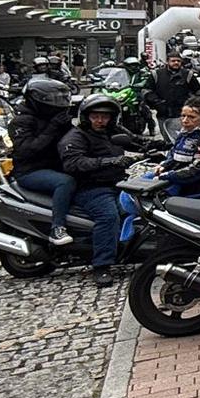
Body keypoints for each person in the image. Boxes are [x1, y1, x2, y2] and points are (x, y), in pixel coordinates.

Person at [59, 95, 134, 285]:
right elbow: (74, 163)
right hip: (92, 187)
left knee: (139, 208)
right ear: (86, 116)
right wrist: (110, 161)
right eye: (95, 116)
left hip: (117, 184)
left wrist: (161, 146)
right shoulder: (76, 136)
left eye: (105, 116)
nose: (100, 120)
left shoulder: (112, 131)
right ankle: (102, 265)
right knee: (108, 217)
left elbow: (133, 140)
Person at [11, 76, 78, 247]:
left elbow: (76, 137)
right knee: (65, 182)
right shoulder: (22, 121)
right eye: (53, 100)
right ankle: (57, 228)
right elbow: (28, 149)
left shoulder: (54, 118)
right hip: (30, 170)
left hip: (55, 165)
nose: (58, 104)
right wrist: (53, 127)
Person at [156, 98, 200, 196]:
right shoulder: (184, 133)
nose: (185, 120)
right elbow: (174, 154)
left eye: (191, 117)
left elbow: (198, 169)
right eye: (183, 116)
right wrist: (163, 166)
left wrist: (167, 175)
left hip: (199, 188)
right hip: (179, 180)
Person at [142, 53, 200, 139]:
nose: (176, 63)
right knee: (167, 139)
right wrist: (156, 102)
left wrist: (192, 105)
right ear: (167, 62)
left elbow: (199, 92)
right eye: (173, 61)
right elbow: (146, 90)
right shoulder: (156, 74)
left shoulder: (188, 75)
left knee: (184, 139)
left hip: (182, 115)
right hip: (163, 114)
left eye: (178, 61)